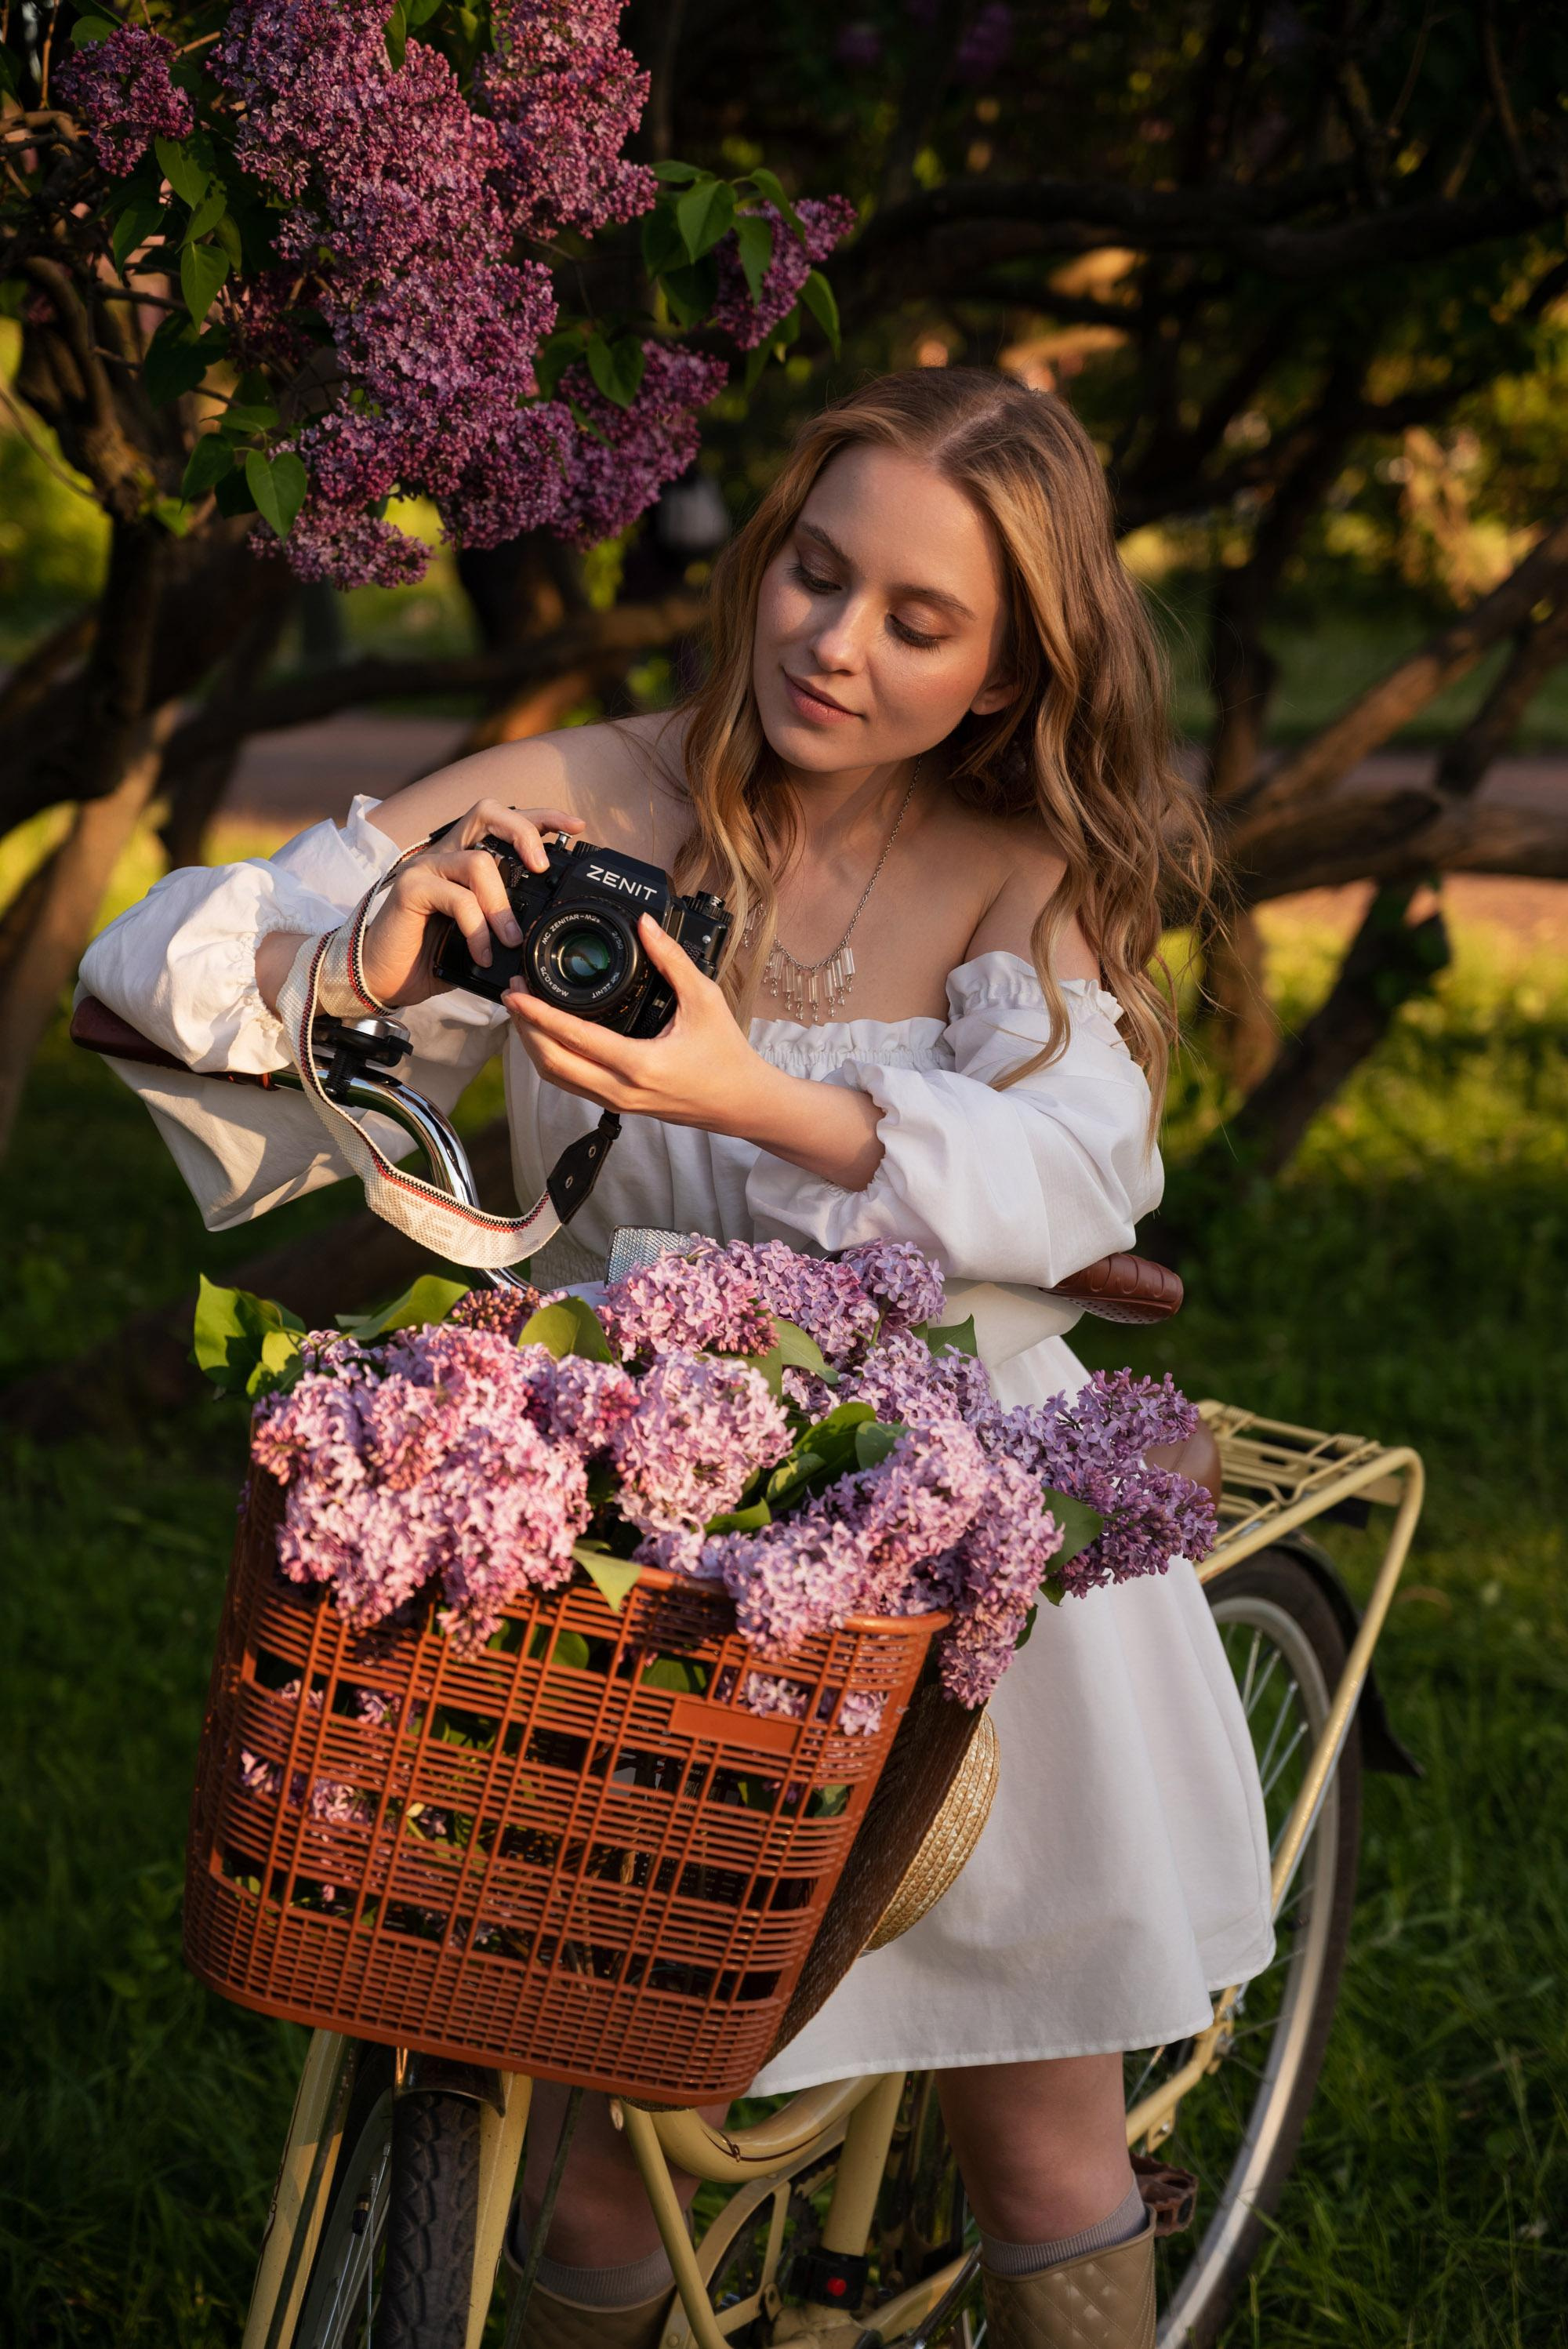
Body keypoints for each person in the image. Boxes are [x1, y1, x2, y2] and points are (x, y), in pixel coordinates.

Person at [81, 368, 1273, 2349]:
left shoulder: (1008, 868)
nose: (833, 642)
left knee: (1042, 2131)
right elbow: (162, 961)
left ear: (1000, 674)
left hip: (940, 1519)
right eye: (813, 572)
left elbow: (1084, 1157)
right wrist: (362, 962)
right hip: (622, 1495)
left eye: (917, 621)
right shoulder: (589, 796)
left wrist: (771, 1099)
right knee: (566, 2113)